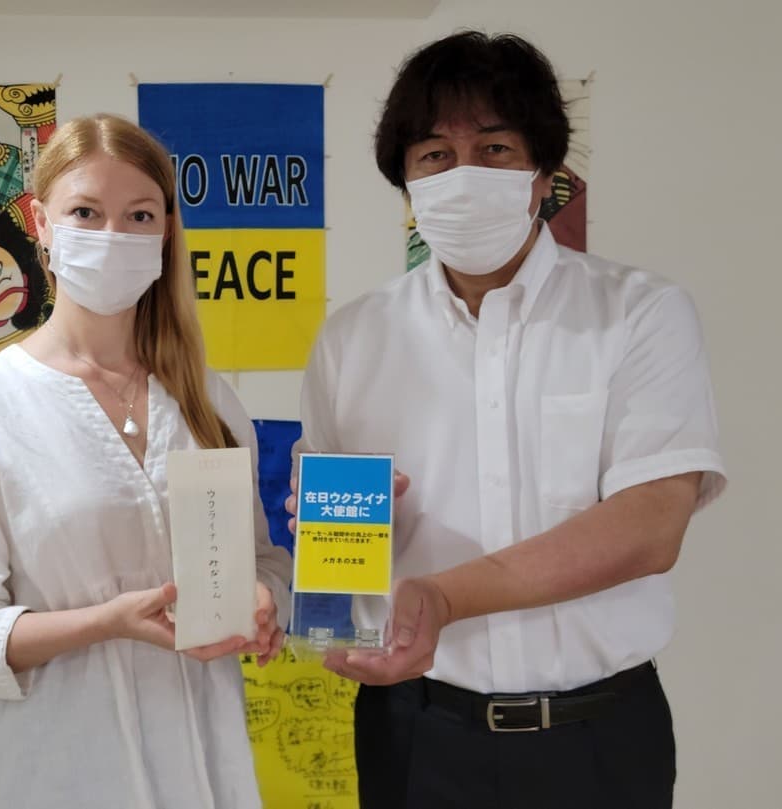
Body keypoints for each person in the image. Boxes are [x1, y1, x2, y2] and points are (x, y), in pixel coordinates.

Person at [289, 31, 728, 808]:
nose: (463, 174)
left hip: (600, 737)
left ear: (543, 177)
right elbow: (335, 551)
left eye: (494, 148)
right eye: (435, 154)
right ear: (407, 183)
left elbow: (652, 525)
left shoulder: (640, 313)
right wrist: (335, 548)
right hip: (414, 735)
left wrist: (444, 594)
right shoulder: (352, 338)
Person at [0, 113, 292, 809]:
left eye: (139, 214)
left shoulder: (206, 400)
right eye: (86, 212)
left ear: (166, 230)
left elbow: (260, 560)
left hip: (203, 775)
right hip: (53, 776)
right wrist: (106, 622)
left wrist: (262, 599)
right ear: (41, 223)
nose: (113, 235)